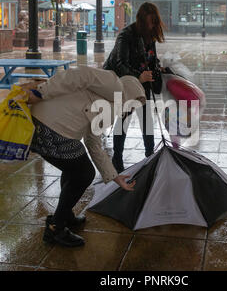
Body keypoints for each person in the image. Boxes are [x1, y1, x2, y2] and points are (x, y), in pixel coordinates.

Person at [22, 66, 146, 247]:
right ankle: (56, 228)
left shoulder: (110, 110)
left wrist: (115, 177)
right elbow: (80, 74)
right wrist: (41, 92)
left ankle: (65, 215)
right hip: (50, 125)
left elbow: (93, 144)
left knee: (74, 166)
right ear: (130, 94)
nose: (132, 109)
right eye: (135, 103)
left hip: (53, 128)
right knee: (83, 173)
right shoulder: (115, 86)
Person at [103, 2, 165, 173]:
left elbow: (152, 59)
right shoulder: (126, 35)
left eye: (154, 22)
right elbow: (119, 63)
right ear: (142, 21)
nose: (153, 26)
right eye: (150, 22)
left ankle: (150, 155)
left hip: (141, 81)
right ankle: (117, 158)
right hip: (123, 82)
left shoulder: (149, 36)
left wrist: (157, 68)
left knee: (147, 118)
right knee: (124, 119)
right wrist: (139, 76)